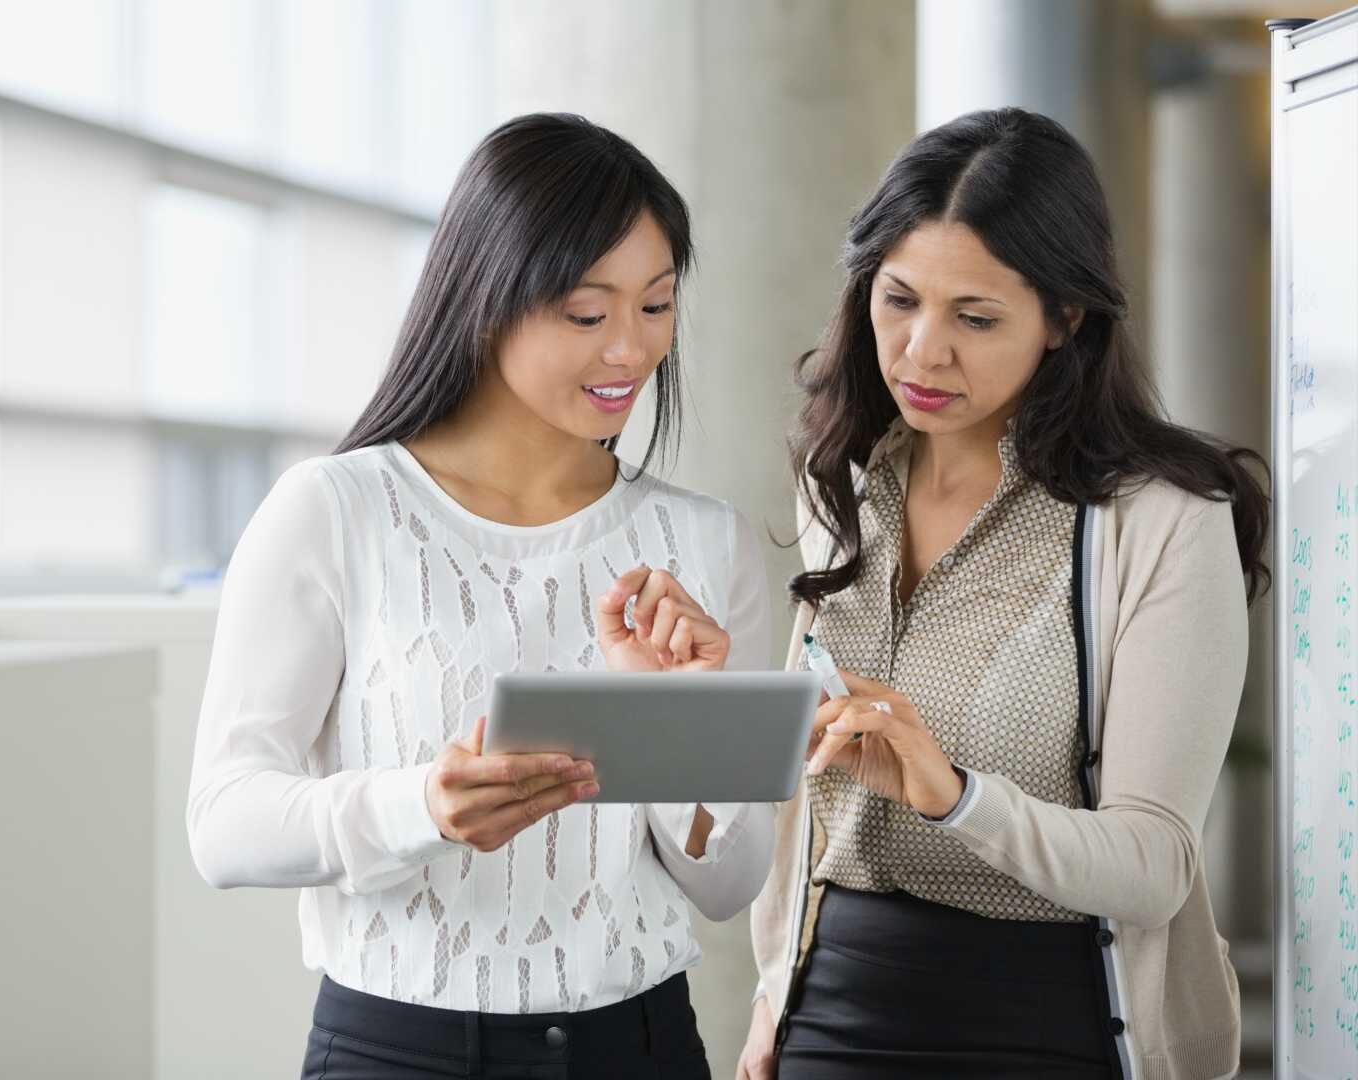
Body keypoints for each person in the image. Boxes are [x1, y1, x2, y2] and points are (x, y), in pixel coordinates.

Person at [188, 112, 774, 1079]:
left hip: (642, 1047)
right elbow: (223, 822)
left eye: (657, 306)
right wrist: (423, 806)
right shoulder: (336, 511)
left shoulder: (707, 544)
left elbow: (730, 885)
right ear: (488, 297)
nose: (631, 349)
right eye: (588, 313)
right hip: (397, 1051)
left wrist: (676, 720)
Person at [736, 108, 1269, 1080]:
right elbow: (802, 807)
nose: (921, 353)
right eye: (897, 300)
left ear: (1066, 317)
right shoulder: (846, 478)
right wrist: (775, 990)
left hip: (1046, 1028)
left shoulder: (1162, 519)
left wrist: (954, 798)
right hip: (833, 1016)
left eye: (975, 318)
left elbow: (1152, 870)